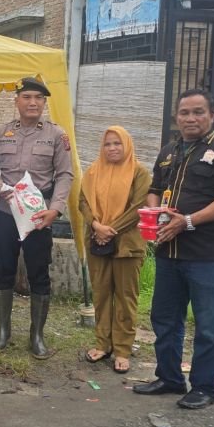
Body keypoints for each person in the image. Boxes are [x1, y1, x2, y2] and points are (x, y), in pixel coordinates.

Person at [133, 89, 214, 410]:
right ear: (176, 117)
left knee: (209, 324)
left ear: (212, 115)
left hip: (208, 254)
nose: (191, 118)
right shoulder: (169, 151)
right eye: (184, 113)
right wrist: (156, 214)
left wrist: (186, 221)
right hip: (170, 253)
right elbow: (154, 190)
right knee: (164, 318)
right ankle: (169, 378)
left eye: (198, 112)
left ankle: (204, 387)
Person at [0, 77, 73, 357]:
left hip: (38, 215)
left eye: (38, 98)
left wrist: (55, 209)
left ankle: (37, 336)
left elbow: (65, 175)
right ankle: (3, 332)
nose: (32, 102)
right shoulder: (2, 133)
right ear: (17, 101)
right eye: (27, 97)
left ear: (45, 102)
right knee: (4, 268)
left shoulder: (56, 135)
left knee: (38, 272)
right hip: (6, 212)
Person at [79, 126, 151, 374]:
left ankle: (122, 349)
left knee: (125, 298)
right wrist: (97, 225)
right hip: (97, 243)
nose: (112, 148)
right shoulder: (92, 172)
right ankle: (102, 343)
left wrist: (110, 229)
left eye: (117, 144)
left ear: (127, 145)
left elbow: (139, 205)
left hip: (127, 245)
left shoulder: (139, 173)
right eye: (108, 144)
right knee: (100, 294)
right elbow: (83, 202)